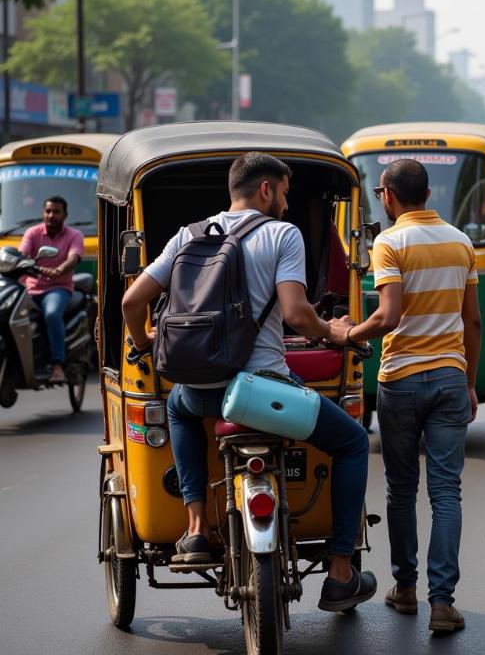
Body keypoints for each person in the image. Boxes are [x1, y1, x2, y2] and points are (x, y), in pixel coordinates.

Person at [121, 152, 376, 612]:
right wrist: (333, 332)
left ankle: (197, 526)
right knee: (354, 442)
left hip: (207, 393)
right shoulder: (284, 234)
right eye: (284, 190)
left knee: (178, 406)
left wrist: (145, 342)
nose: (285, 199)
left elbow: (130, 302)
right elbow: (297, 314)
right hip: (265, 392)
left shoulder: (188, 235)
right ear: (265, 190)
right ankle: (340, 571)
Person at [330, 158, 482, 634]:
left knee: (401, 489)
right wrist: (470, 381)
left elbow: (389, 315)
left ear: (389, 197)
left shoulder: (389, 243)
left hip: (399, 379)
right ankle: (443, 602)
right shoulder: (461, 241)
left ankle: (407, 587)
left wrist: (348, 332)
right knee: (446, 492)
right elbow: (472, 322)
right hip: (451, 379)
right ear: (429, 193)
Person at [20, 196, 85, 384]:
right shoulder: (32, 233)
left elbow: (73, 258)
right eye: (48, 211)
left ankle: (57, 365)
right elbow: (22, 254)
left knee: (51, 314)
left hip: (58, 288)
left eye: (56, 212)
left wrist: (59, 270)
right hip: (30, 289)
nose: (51, 215)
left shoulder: (74, 235)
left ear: (65, 215)